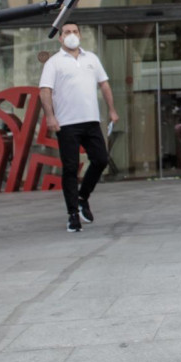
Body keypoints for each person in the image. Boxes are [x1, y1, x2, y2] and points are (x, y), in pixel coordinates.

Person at [39, 22, 119, 233]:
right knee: (71, 168)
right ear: (60, 38)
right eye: (67, 32)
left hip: (91, 120)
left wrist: (111, 110)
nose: (71, 35)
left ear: (80, 35)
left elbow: (104, 84)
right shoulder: (54, 63)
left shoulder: (91, 58)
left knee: (101, 159)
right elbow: (45, 90)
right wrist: (50, 117)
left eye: (74, 32)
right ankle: (72, 213)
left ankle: (83, 196)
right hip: (66, 124)